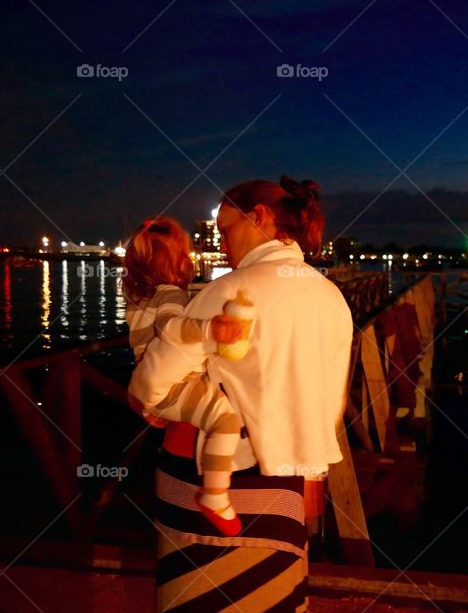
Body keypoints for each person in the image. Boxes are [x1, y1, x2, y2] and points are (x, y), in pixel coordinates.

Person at [129, 177, 354, 612]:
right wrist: (312, 475)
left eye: (225, 229)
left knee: (197, 598)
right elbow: (329, 404)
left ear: (260, 217)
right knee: (274, 597)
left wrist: (143, 400)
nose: (221, 242)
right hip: (284, 481)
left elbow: (153, 381)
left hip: (205, 480)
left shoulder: (231, 290)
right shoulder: (331, 297)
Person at [123, 217, 247, 536]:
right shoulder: (170, 294)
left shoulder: (137, 298)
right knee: (225, 422)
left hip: (153, 388)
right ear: (179, 261)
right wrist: (210, 328)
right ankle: (215, 494)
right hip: (177, 385)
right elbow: (171, 329)